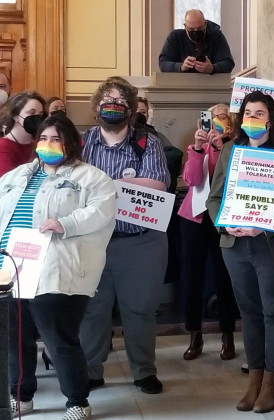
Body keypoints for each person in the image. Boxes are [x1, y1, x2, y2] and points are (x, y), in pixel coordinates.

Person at [1, 115, 116, 420]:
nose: (48, 144)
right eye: (43, 138)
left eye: (56, 138)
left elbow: (102, 211)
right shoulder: (18, 175)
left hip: (58, 269)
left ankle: (77, 401)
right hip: (13, 267)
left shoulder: (91, 177)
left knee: (59, 338)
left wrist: (66, 224)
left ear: (71, 144)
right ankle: (20, 396)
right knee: (15, 337)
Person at [206, 92, 274, 413]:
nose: (252, 118)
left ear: (271, 119)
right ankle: (254, 377)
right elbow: (214, 198)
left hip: (271, 246)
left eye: (259, 113)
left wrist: (267, 224)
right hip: (235, 246)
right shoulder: (229, 152)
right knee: (248, 314)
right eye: (247, 112)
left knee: (273, 312)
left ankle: (271, 381)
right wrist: (225, 224)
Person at [79, 76, 170, 395]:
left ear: (131, 109)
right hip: (92, 242)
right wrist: (126, 185)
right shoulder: (82, 141)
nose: (113, 106)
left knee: (140, 309)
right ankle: (90, 370)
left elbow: (157, 184)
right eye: (108, 101)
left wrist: (102, 187)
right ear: (97, 106)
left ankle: (144, 371)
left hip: (141, 242)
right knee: (92, 310)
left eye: (121, 102)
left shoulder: (148, 142)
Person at [177, 103, 239, 361]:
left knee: (225, 277)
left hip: (221, 217)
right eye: (211, 118)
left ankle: (227, 335)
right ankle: (195, 334)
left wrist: (219, 148)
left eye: (222, 117)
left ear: (231, 123)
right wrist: (198, 149)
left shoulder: (236, 148)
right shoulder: (196, 147)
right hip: (194, 217)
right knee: (192, 277)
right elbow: (191, 179)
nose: (216, 122)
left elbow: (225, 178)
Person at [159, 9, 235, 74]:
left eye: (200, 28)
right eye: (191, 29)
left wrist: (212, 68)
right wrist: (181, 66)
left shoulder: (216, 36)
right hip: (180, 85)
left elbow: (228, 63)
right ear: (185, 27)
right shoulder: (175, 37)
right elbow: (163, 64)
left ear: (205, 24)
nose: (196, 32)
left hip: (210, 86)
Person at [135, 97, 183, 193]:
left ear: (147, 116)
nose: (138, 116)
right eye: (135, 112)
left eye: (142, 112)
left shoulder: (157, 137)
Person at [0, 91, 45, 176]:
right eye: (31, 113)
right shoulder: (3, 146)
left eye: (40, 114)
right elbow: (8, 183)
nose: (37, 118)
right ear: (16, 117)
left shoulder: (40, 145)